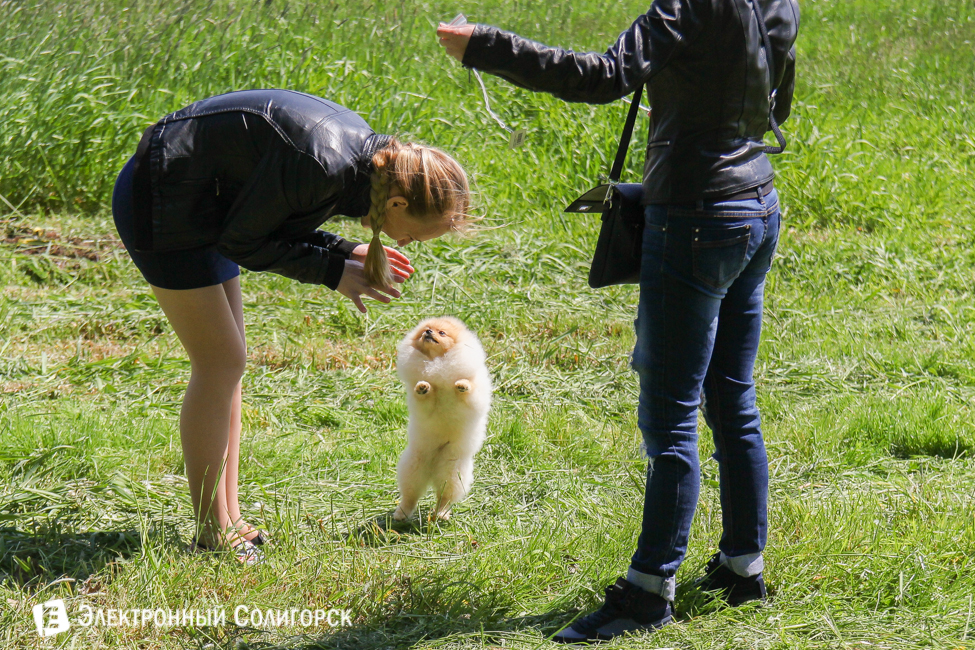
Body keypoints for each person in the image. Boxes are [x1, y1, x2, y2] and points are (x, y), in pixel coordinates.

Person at [438, 0, 798, 642]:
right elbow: (779, 99)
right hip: (759, 205)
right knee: (732, 401)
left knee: (670, 416)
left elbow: (604, 77)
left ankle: (647, 591)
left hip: (696, 217)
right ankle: (744, 568)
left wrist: (484, 46)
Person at [112, 89, 471, 563]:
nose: (406, 242)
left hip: (209, 204)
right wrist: (330, 271)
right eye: (412, 234)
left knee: (228, 366)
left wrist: (344, 251)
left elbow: (276, 215)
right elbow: (246, 240)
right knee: (220, 362)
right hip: (165, 199)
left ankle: (229, 517)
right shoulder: (325, 163)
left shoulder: (360, 166)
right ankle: (211, 530)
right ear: (399, 204)